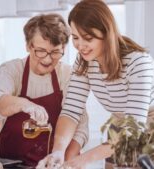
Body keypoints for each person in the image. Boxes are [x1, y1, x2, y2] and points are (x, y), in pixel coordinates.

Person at [38, 0, 154, 168]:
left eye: (88, 38)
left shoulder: (138, 63)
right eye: (75, 38)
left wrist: (83, 159)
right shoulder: (85, 61)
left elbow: (132, 131)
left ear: (107, 33)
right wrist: (58, 150)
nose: (80, 46)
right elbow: (71, 110)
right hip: (120, 124)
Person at [0, 13, 89, 167]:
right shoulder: (12, 70)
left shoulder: (67, 75)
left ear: (64, 48)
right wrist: (24, 104)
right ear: (28, 45)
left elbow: (80, 127)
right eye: (40, 51)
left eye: (55, 52)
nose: (47, 60)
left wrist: (63, 161)